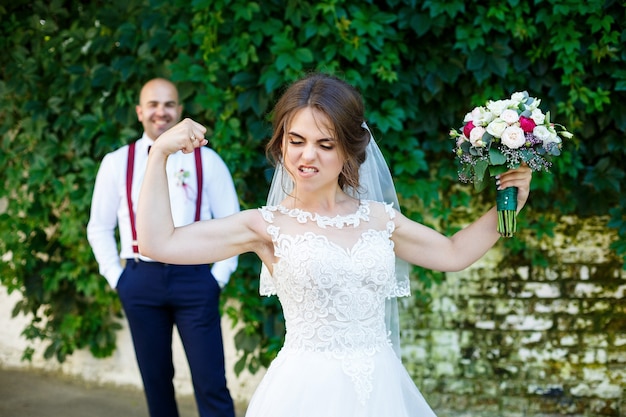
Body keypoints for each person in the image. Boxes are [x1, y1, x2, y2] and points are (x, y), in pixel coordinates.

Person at [136, 73, 533, 417]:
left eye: (324, 145)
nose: (307, 156)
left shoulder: (379, 218)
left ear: (348, 149)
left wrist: (510, 201)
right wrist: (159, 155)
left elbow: (452, 253)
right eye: (296, 141)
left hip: (381, 388)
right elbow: (158, 243)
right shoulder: (265, 225)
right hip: (305, 392)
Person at [87, 78, 239, 417]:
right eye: (153, 105)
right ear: (140, 112)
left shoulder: (208, 161)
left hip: (195, 281)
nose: (161, 111)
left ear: (180, 111)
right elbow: (98, 227)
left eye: (169, 104)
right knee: (156, 383)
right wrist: (118, 279)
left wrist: (217, 278)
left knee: (211, 381)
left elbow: (233, 225)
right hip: (141, 281)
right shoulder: (116, 162)